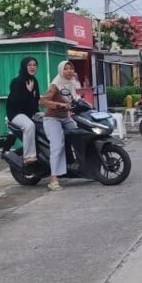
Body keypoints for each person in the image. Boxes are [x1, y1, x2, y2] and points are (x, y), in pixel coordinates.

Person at [39, 60, 80, 192]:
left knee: (80, 136)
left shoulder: (71, 83)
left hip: (66, 118)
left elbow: (75, 98)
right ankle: (53, 179)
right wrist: (60, 105)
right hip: (52, 118)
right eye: (66, 69)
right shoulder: (55, 84)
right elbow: (43, 101)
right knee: (57, 145)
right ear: (61, 71)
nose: (69, 71)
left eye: (71, 68)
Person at [6, 56, 41, 165]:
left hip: (31, 112)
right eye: (29, 65)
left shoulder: (34, 80)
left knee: (50, 119)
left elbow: (35, 101)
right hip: (16, 113)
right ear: (24, 66)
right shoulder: (17, 82)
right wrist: (29, 93)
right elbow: (17, 102)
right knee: (29, 126)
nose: (32, 67)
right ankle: (29, 156)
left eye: (34, 65)